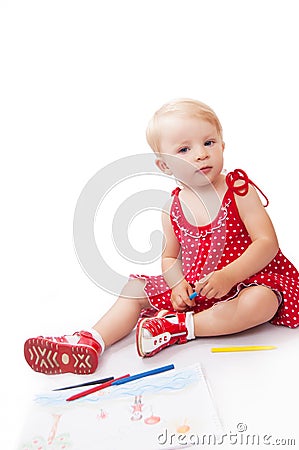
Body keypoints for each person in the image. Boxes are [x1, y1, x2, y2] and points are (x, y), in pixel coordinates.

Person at [24, 98, 299, 375]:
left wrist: (228, 275)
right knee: (134, 290)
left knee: (261, 302)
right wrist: (177, 284)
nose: (201, 154)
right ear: (164, 166)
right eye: (184, 149)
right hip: (196, 289)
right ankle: (91, 340)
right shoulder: (172, 208)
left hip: (247, 280)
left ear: (223, 146)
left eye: (209, 143)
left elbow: (267, 243)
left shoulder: (238, 188)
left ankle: (180, 328)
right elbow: (169, 256)